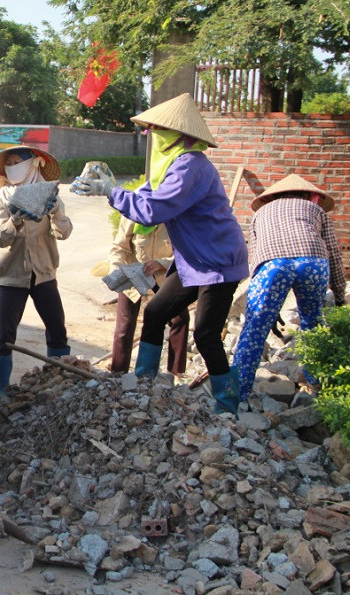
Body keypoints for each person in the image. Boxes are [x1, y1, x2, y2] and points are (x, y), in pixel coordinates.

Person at [72, 93, 248, 415]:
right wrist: (109, 186)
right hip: (192, 260)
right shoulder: (173, 166)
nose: (152, 136)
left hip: (218, 261)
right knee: (155, 314)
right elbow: (146, 195)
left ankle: (228, 403)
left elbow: (152, 210)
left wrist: (111, 192)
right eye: (151, 130)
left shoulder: (191, 166)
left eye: (157, 130)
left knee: (206, 333)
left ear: (180, 136)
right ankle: (145, 385)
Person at [233, 174, 346, 402]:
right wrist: (341, 296)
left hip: (273, 265)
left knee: (254, 330)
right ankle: (316, 386)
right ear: (308, 195)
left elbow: (256, 260)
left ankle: (236, 394)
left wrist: (267, 308)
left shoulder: (260, 213)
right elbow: (333, 253)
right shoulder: (316, 211)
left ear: (273, 197)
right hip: (313, 262)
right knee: (312, 322)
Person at [0, 145, 73, 397]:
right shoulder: (1, 199)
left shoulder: (48, 194)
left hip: (44, 273)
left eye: (17, 161)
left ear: (33, 163)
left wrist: (56, 212)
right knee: (5, 337)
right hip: (12, 276)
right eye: (9, 163)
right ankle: (3, 391)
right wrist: (14, 220)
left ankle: (58, 383)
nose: (12, 166)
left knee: (57, 330)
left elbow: (64, 233)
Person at [109, 215, 190, 376]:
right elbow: (119, 247)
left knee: (180, 319)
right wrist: (116, 270)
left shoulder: (176, 216)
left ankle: (175, 373)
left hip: (163, 274)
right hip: (133, 270)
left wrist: (162, 263)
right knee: (125, 323)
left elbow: (186, 252)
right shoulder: (133, 214)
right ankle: (118, 373)